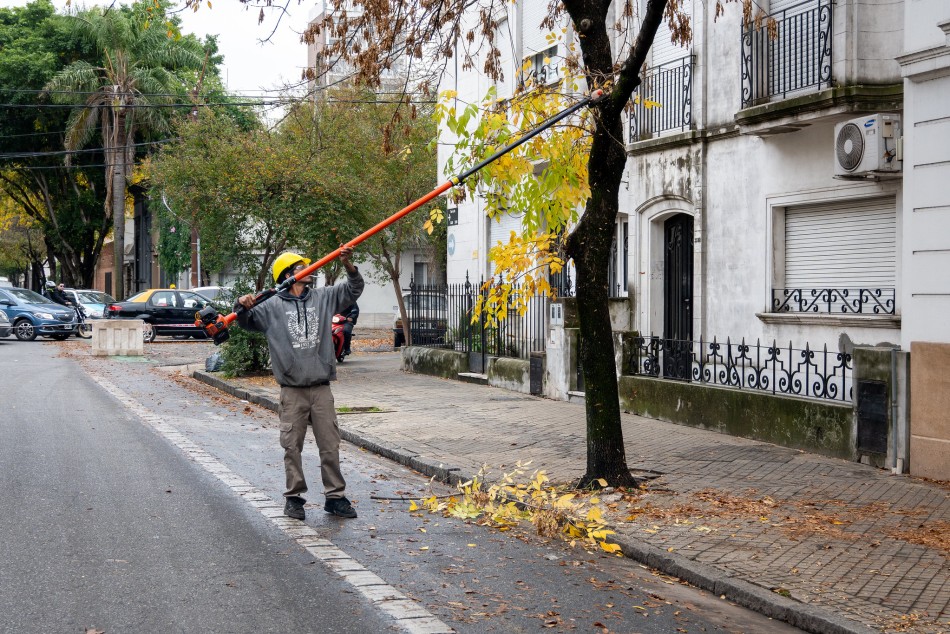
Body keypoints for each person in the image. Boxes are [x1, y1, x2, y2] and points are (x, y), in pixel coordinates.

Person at [235, 247, 363, 521]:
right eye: (301, 268)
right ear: (289, 275)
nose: (309, 271)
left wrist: (348, 264)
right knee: (292, 446)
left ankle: (335, 498)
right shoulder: (270, 307)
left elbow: (353, 290)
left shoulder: (323, 298)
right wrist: (241, 305)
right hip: (291, 391)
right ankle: (294, 499)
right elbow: (245, 322)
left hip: (321, 388)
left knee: (330, 445)